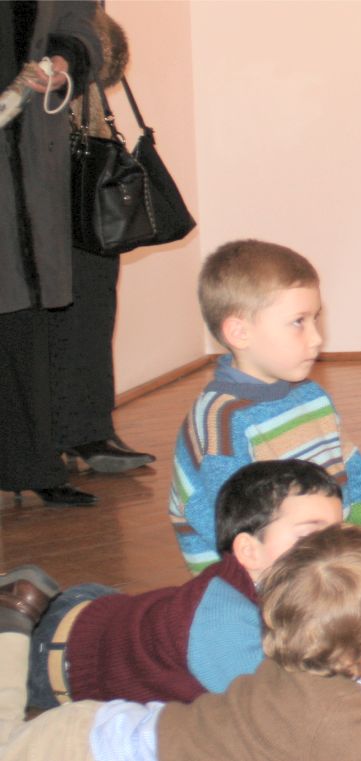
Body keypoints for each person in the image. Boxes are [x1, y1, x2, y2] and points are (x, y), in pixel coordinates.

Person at [169, 239, 361, 665]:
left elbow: (355, 483)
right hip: (259, 583)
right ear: (239, 332)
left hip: (326, 554)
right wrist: (358, 567)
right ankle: (357, 656)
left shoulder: (312, 398)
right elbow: (236, 539)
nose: (317, 338)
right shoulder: (222, 421)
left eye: (316, 319)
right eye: (298, 322)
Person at [0, 523, 361, 761]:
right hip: (81, 751)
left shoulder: (307, 663)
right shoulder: (327, 714)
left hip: (114, 731)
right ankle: (11, 626)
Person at [25, 459, 342, 707]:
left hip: (110, 615)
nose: (337, 548)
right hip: (55, 654)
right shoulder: (224, 625)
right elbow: (283, 709)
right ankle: (13, 618)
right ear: (249, 551)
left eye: (338, 534)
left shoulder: (291, 590)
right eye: (310, 535)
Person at [1, 1, 103, 506]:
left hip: (25, 147)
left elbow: (78, 22)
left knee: (22, 312)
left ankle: (32, 464)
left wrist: (64, 61)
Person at [49, 7, 156, 476]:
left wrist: (85, 46)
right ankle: (52, 438)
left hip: (82, 173)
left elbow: (107, 66)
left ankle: (89, 431)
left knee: (91, 306)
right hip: (30, 179)